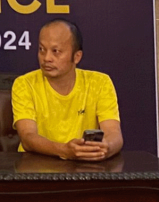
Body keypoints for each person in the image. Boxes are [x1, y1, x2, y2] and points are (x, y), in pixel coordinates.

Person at [12, 19, 123, 161]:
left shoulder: (100, 83)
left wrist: (105, 148)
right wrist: (64, 150)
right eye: (41, 49)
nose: (47, 58)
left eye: (55, 51)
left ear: (77, 57)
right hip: (35, 169)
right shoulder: (24, 84)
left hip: (85, 169)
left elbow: (114, 133)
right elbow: (27, 137)